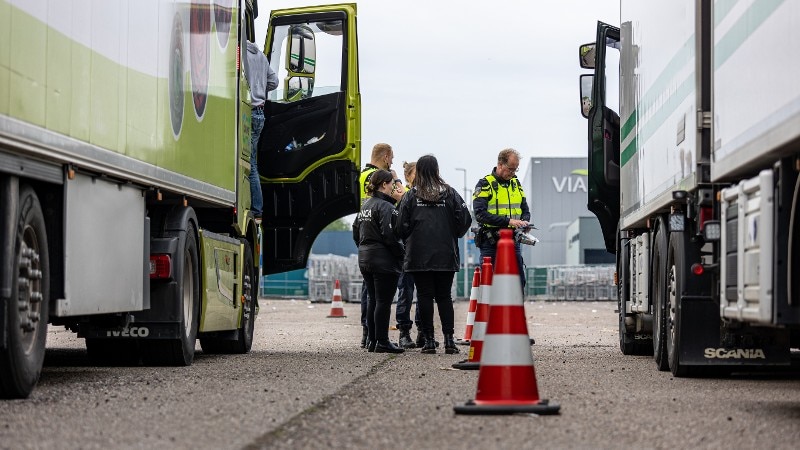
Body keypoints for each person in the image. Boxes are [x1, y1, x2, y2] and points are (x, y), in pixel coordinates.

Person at [395, 155, 472, 354]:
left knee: (425, 296)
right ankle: (448, 341)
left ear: (418, 171)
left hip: (419, 255)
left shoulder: (411, 196)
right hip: (445, 254)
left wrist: (411, 236)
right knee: (444, 297)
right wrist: (452, 234)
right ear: (437, 170)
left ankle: (429, 341)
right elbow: (465, 219)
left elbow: (400, 226)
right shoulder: (450, 193)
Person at [352, 169, 405, 354]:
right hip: (383, 260)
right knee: (383, 301)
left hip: (365, 257)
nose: (392, 187)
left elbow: (355, 231)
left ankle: (372, 340)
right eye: (391, 184)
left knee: (373, 299)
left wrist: (364, 247)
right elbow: (390, 236)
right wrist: (402, 254)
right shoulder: (386, 207)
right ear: (384, 184)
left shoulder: (365, 205)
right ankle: (382, 341)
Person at [472, 148, 531, 291]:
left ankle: (514, 313)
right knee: (489, 284)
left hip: (513, 240)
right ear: (500, 165)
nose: (513, 173)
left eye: (515, 170)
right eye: (511, 169)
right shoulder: (485, 184)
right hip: (491, 241)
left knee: (517, 283)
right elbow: (480, 214)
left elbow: (525, 209)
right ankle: (489, 313)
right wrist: (508, 221)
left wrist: (525, 222)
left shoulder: (516, 183)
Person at [245, 39, 278, 220]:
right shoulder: (261, 56)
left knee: (249, 165)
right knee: (253, 163)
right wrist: (260, 87)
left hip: (246, 111)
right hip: (259, 112)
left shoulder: (241, 54)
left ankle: (257, 209)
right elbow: (274, 81)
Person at [395, 161, 417, 349]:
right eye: (416, 174)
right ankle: (404, 332)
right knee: (406, 293)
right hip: (406, 252)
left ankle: (424, 333)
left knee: (425, 294)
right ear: (408, 176)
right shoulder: (402, 196)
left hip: (424, 251)